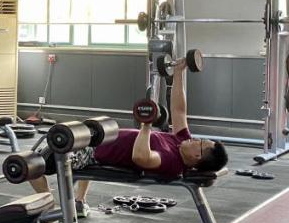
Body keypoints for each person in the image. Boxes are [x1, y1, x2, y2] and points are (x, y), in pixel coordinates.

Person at [31, 57, 228, 201]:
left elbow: (141, 157)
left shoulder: (172, 162)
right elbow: (179, 110)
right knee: (88, 128)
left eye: (200, 143)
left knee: (34, 164)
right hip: (102, 138)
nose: (195, 139)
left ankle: (50, 207)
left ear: (197, 157)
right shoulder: (181, 140)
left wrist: (146, 124)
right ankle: (79, 201)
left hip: (93, 153)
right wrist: (178, 73)